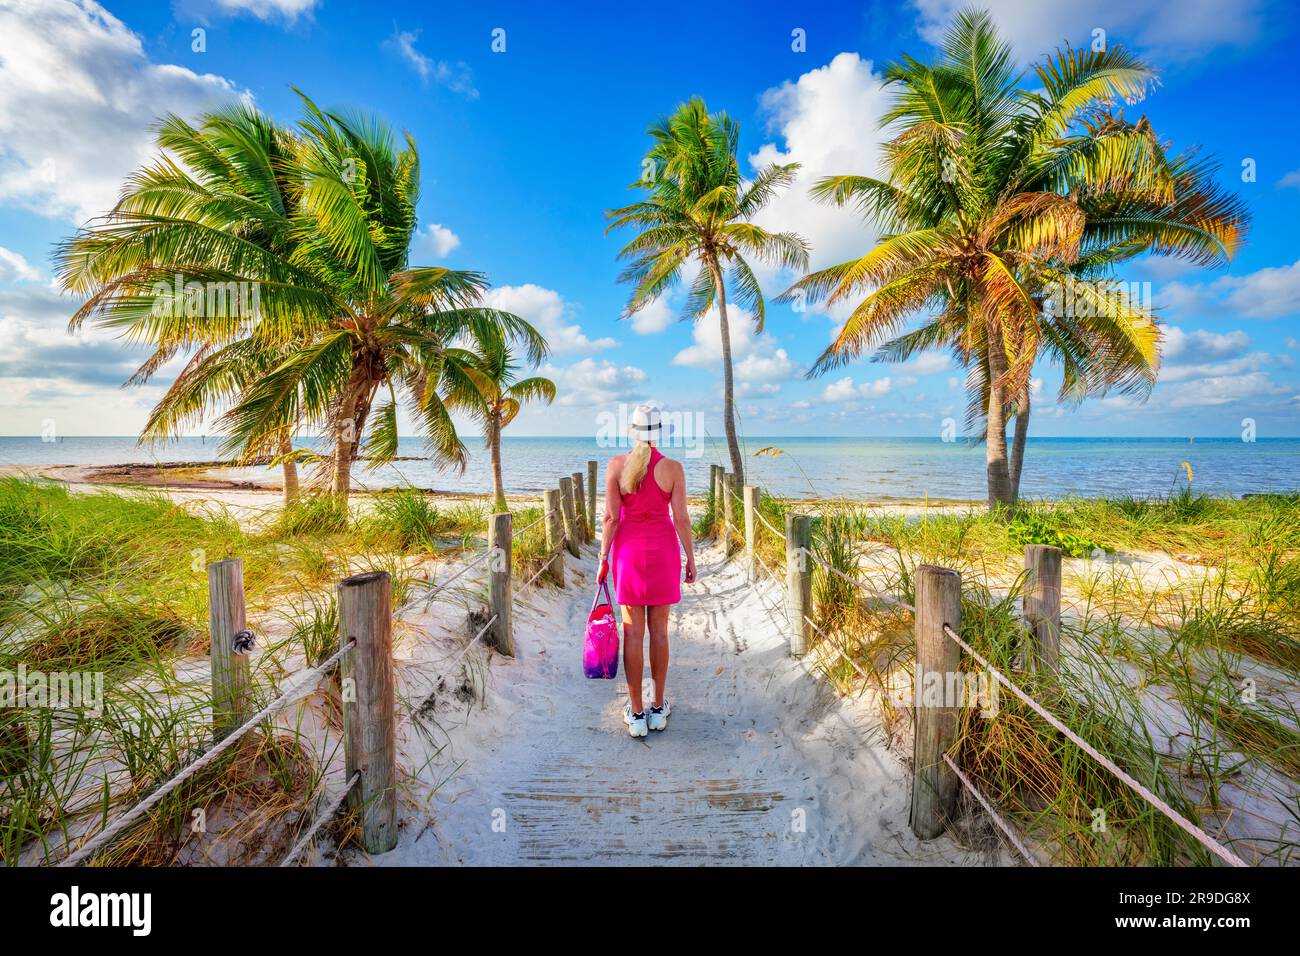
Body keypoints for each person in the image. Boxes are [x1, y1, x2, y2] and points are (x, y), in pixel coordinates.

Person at [599, 404, 696, 738]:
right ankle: (658, 708)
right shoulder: (672, 468)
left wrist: (602, 558)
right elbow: (681, 518)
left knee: (633, 633)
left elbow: (611, 518)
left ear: (633, 431)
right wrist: (691, 558)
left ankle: (637, 713)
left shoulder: (615, 466)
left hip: (627, 555)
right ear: (658, 434)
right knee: (660, 632)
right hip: (663, 553)